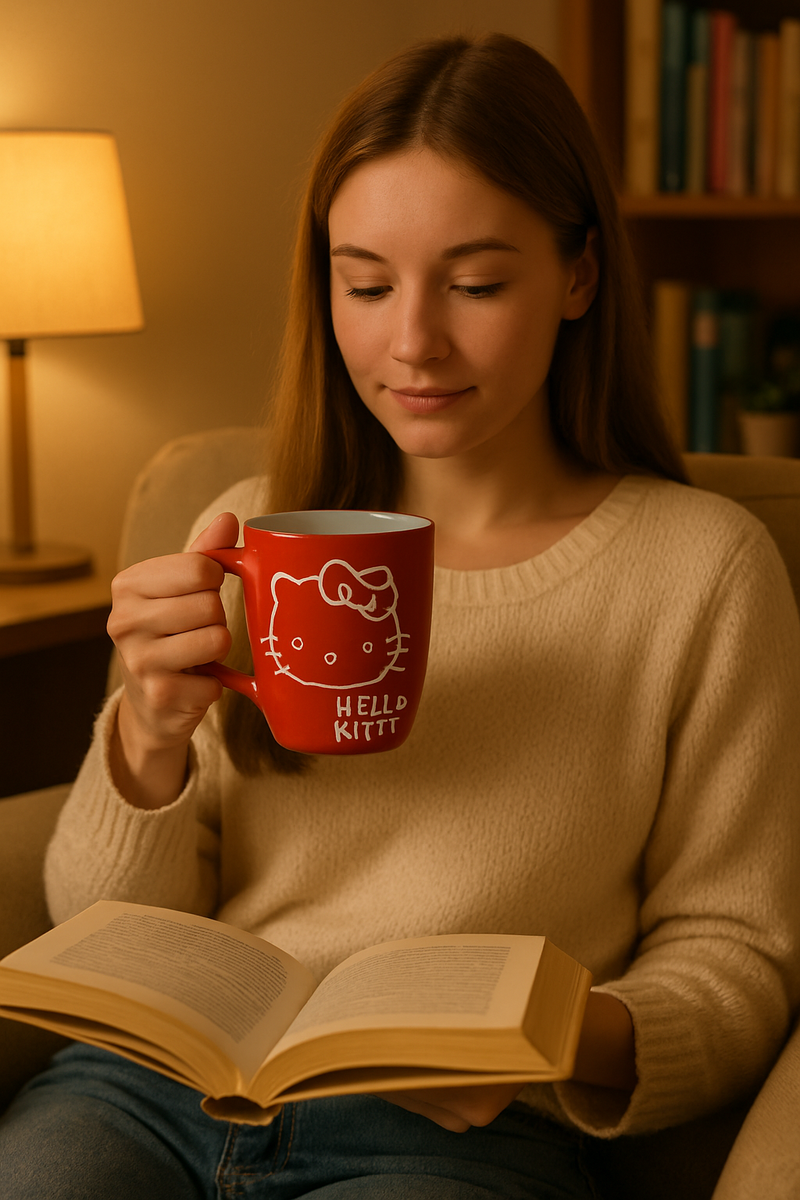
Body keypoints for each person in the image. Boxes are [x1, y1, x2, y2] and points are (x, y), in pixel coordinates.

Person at [3, 31, 800, 1200]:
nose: (411, 342)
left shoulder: (700, 569)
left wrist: (558, 1035)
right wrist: (149, 737)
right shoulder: (246, 527)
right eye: (364, 283)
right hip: (148, 1098)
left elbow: (738, 952)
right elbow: (104, 926)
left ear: (578, 276)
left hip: (454, 1137)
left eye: (475, 284)